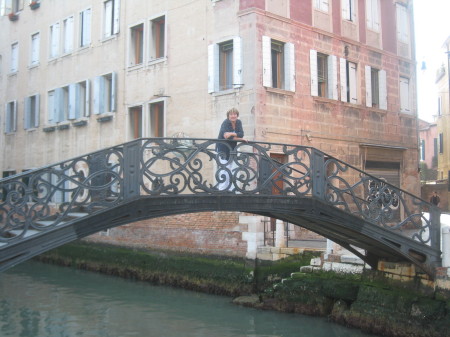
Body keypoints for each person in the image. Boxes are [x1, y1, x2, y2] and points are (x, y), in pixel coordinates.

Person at [216, 108, 246, 191]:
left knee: (229, 169)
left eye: (235, 114)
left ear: (237, 115)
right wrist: (239, 139)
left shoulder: (238, 122)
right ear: (228, 116)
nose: (233, 116)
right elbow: (226, 137)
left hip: (232, 149)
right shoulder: (225, 123)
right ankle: (221, 190)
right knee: (224, 170)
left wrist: (232, 133)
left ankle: (228, 189)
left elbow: (241, 134)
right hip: (222, 148)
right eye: (231, 114)